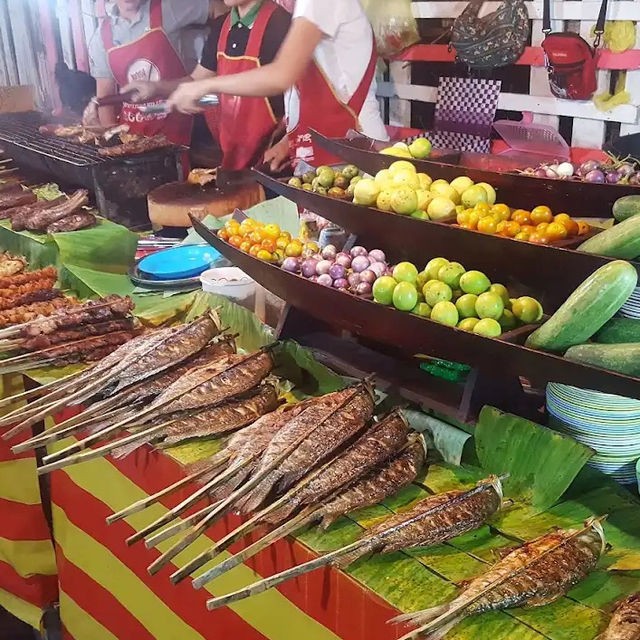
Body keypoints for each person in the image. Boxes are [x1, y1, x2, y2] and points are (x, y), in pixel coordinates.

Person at [164, 0, 388, 169]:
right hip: (322, 151)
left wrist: (204, 86)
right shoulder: (299, 10)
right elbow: (308, 88)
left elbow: (282, 75)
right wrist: (286, 141)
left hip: (355, 152)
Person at [121, 0, 292, 171]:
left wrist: (287, 143)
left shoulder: (282, 24)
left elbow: (292, 86)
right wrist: (156, 87)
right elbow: (197, 79)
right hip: (233, 153)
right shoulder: (222, 26)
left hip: (273, 157)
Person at [86, 0, 211, 145]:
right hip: (132, 132)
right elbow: (105, 99)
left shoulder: (170, 7)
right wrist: (114, 144)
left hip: (180, 123)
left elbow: (217, 10)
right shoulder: (101, 36)